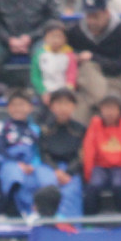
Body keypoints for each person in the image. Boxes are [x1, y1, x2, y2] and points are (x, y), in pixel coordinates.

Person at [0, 89, 47, 216]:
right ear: (8, 108)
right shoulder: (0, 126)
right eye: (14, 105)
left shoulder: (35, 129)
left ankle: (36, 214)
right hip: (8, 163)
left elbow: (39, 151)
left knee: (45, 178)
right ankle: (7, 214)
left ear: (30, 107)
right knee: (14, 176)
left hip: (31, 166)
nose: (18, 108)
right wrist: (17, 163)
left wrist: (33, 165)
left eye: (22, 104)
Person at [70, 0, 121, 113]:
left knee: (109, 109)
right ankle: (102, 105)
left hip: (114, 78)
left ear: (106, 12)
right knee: (87, 67)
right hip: (87, 82)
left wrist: (93, 58)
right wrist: (77, 58)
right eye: (89, 16)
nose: (91, 21)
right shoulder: (76, 31)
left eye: (96, 16)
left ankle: (102, 107)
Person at [0, 0, 60, 85]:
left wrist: (31, 37)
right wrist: (8, 40)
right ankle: (10, 86)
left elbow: (53, 18)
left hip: (38, 38)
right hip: (6, 40)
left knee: (43, 57)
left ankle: (39, 89)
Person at [82, 94, 121, 214]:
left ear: (120, 110)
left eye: (113, 108)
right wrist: (88, 173)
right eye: (106, 108)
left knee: (118, 185)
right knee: (94, 185)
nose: (109, 112)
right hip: (100, 167)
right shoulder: (95, 124)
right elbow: (89, 149)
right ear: (100, 110)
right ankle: (90, 218)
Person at [38, 89, 88, 219]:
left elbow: (81, 156)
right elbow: (44, 154)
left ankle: (71, 227)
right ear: (51, 106)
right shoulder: (45, 129)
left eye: (67, 103)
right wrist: (56, 170)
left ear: (74, 106)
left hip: (72, 169)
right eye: (59, 103)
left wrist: (68, 172)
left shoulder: (80, 129)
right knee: (48, 188)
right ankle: (48, 224)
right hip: (50, 168)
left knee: (71, 191)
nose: (63, 108)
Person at [31, 21, 80, 98]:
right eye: (52, 36)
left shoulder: (69, 55)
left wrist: (68, 91)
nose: (56, 40)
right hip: (45, 92)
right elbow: (36, 76)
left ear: (65, 39)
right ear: (45, 38)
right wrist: (43, 92)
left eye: (59, 37)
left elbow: (71, 74)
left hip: (64, 92)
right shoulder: (39, 54)